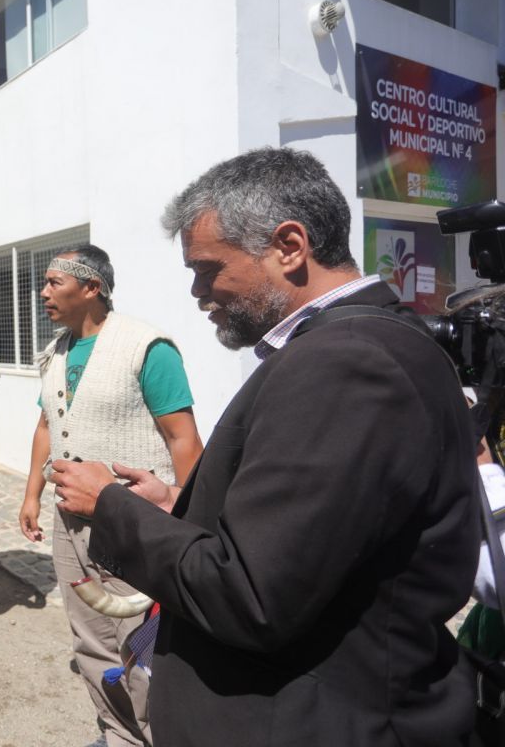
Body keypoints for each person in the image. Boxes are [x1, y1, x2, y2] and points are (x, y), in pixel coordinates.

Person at [52, 147, 479, 745]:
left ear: (289, 246)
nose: (198, 292)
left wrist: (110, 505)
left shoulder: (347, 365)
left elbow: (251, 594)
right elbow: (308, 537)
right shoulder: (351, 346)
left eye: (208, 269)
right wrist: (179, 506)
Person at [19, 244, 202, 747]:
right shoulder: (56, 353)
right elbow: (46, 426)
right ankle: (119, 733)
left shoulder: (147, 347)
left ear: (91, 287)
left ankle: (158, 736)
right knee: (90, 641)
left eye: (54, 282)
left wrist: (192, 517)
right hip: (69, 525)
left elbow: (183, 438)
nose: (43, 292)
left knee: (142, 647)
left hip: (132, 525)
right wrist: (32, 494)